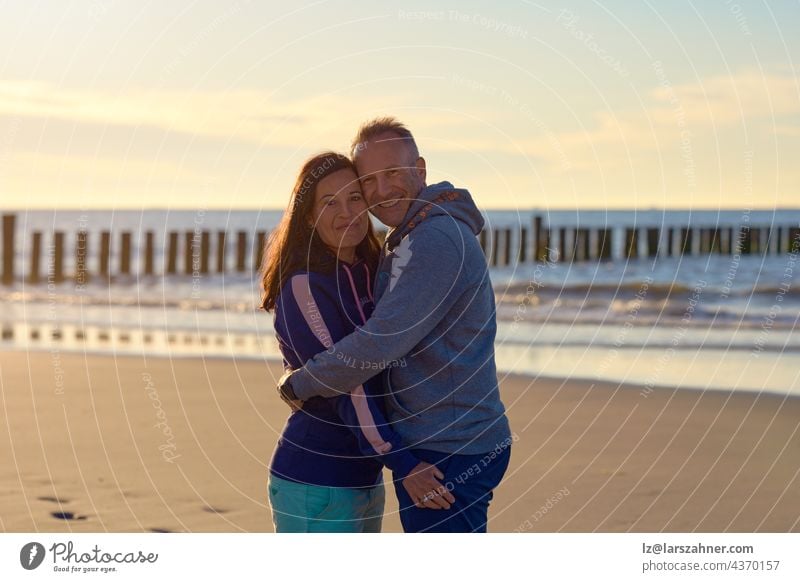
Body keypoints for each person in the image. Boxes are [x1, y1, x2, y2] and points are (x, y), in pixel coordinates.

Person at [278, 118, 512, 533]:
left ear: (419, 170)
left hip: (448, 447)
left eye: (392, 174)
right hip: (419, 448)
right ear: (309, 217)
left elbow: (379, 343)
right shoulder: (400, 244)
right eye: (369, 179)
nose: (381, 190)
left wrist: (302, 382)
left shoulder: (433, 239)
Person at [261, 151, 433, 532]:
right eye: (329, 203)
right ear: (309, 216)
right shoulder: (305, 286)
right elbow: (348, 381)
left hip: (364, 478)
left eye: (355, 197)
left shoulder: (373, 272)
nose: (347, 211)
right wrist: (403, 463)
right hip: (315, 481)